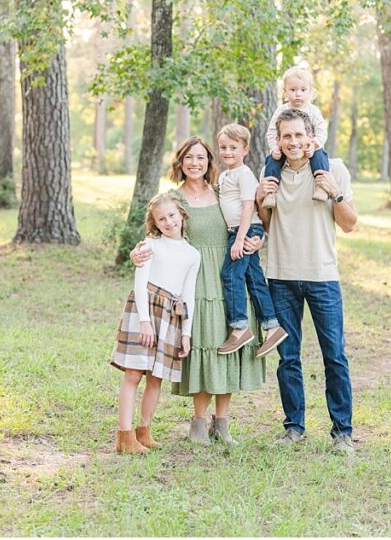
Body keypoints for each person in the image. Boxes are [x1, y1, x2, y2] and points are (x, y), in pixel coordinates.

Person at [132, 137, 266, 447]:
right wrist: (134, 255)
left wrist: (256, 240)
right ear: (180, 163)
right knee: (203, 344)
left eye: (201, 158)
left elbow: (246, 221)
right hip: (192, 282)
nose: (195, 163)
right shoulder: (173, 199)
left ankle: (223, 422)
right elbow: (153, 238)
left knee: (227, 344)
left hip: (228, 279)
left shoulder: (222, 192)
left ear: (209, 163)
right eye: (189, 158)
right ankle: (198, 422)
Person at [256, 108, 358, 454]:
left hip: (322, 276)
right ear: (279, 140)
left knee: (335, 356)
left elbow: (349, 224)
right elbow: (267, 226)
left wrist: (334, 193)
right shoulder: (271, 173)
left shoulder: (333, 169)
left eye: (299, 135)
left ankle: (342, 432)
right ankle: (294, 427)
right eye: (287, 136)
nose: (293, 142)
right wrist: (260, 200)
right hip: (281, 277)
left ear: (310, 136)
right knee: (288, 357)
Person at [111, 193, 200, 454]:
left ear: (182, 214)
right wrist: (145, 321)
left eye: (172, 215)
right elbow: (140, 284)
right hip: (146, 311)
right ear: (155, 223)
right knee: (133, 373)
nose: (168, 222)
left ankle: (144, 430)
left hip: (171, 315)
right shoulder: (150, 245)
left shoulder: (192, 255)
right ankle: (124, 436)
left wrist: (186, 332)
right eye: (161, 219)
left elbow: (189, 294)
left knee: (156, 377)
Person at [216, 124, 287, 357]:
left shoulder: (245, 175)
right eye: (223, 147)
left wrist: (239, 240)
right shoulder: (225, 174)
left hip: (245, 229)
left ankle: (240, 327)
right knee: (254, 279)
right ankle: (272, 325)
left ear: (245, 149)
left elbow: (249, 207)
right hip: (239, 230)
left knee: (230, 274)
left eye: (233, 148)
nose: (227, 152)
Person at [262, 65, 330, 208]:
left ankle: (321, 187)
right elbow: (272, 131)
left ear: (310, 91)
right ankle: (270, 193)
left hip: (309, 147)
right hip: (286, 149)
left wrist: (315, 144)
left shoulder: (313, 111)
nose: (298, 94)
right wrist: (275, 147)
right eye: (293, 90)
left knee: (320, 155)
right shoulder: (281, 110)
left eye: (303, 90)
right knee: (272, 160)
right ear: (285, 92)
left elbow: (322, 130)